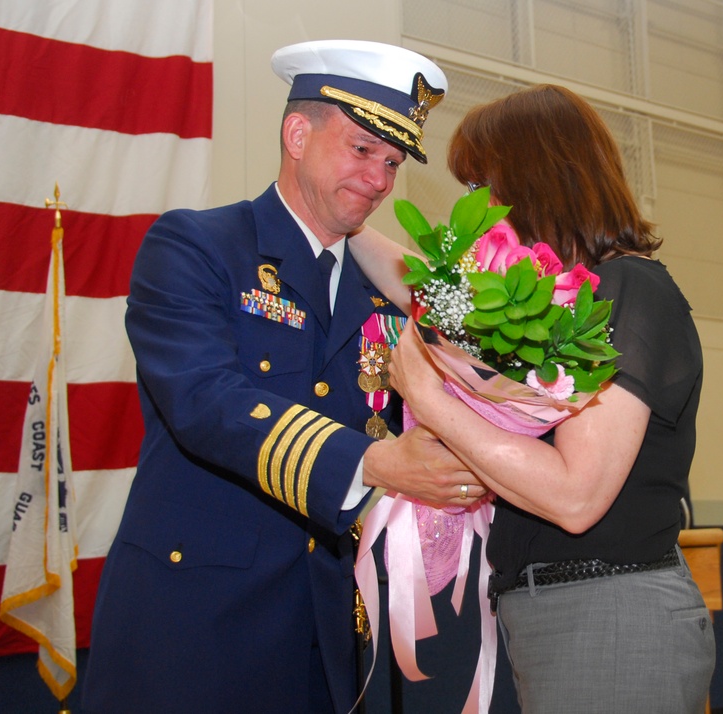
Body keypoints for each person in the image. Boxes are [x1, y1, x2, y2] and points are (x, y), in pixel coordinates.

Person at [81, 39, 487, 714]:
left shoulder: (381, 297)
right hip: (195, 628)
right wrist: (378, 461)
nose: (380, 179)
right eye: (362, 150)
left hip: (324, 637)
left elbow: (478, 369)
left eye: (391, 162)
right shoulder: (197, 247)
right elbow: (206, 403)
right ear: (297, 133)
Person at [353, 84, 715, 712]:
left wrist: (424, 394)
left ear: (532, 180)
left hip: (611, 608)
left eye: (478, 186)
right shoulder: (551, 307)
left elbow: (576, 497)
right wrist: (340, 218)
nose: (475, 208)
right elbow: (413, 281)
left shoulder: (629, 290)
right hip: (557, 611)